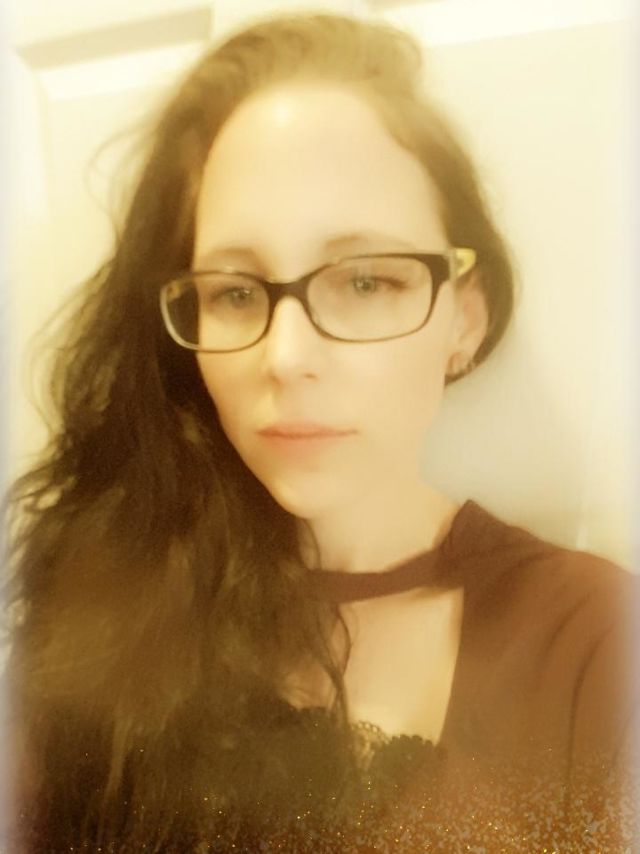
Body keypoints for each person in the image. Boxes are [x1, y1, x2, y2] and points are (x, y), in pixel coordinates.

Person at [2, 11, 637, 853]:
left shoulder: (595, 644)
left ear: (465, 317)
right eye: (234, 292)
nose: (287, 357)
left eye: (366, 281)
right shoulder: (104, 615)